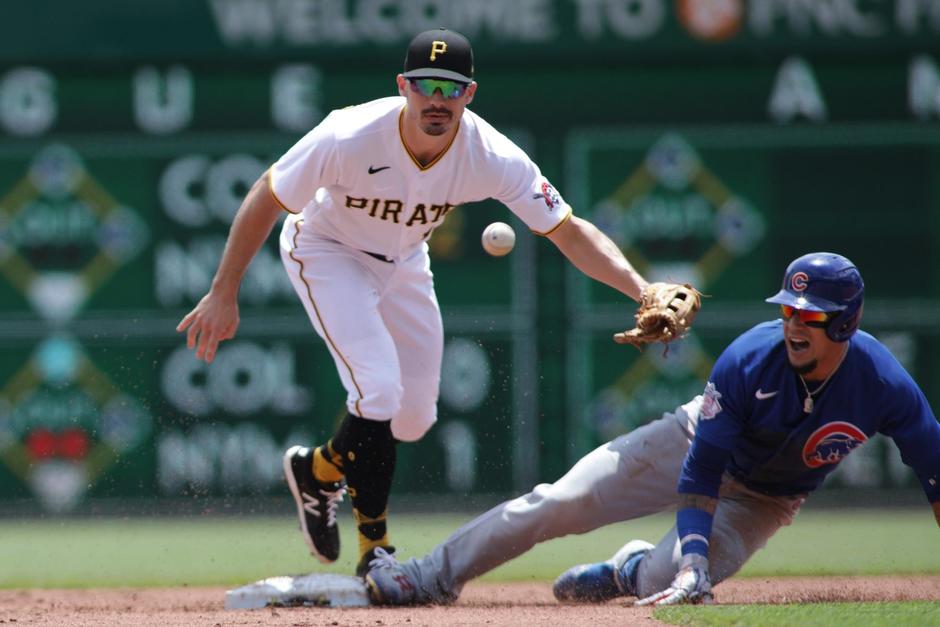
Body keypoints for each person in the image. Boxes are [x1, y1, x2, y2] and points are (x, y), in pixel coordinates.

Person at [175, 27, 669, 577]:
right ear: (403, 86)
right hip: (327, 251)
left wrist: (643, 290)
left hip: (406, 260)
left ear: (470, 93)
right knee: (379, 390)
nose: (438, 99)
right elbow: (267, 194)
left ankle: (318, 470)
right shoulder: (349, 133)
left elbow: (568, 230)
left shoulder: (490, 155)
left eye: (451, 88)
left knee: (411, 418)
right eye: (426, 85)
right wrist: (224, 290)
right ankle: (375, 550)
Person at [364, 252, 940, 605]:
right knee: (557, 502)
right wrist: (697, 556)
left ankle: (629, 569)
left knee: (663, 588)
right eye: (788, 310)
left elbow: (934, 466)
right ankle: (426, 576)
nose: (793, 324)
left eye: (810, 316)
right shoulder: (747, 359)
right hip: (691, 443)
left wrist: (684, 566)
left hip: (767, 499)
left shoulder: (882, 383)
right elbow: (703, 467)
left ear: (846, 322)